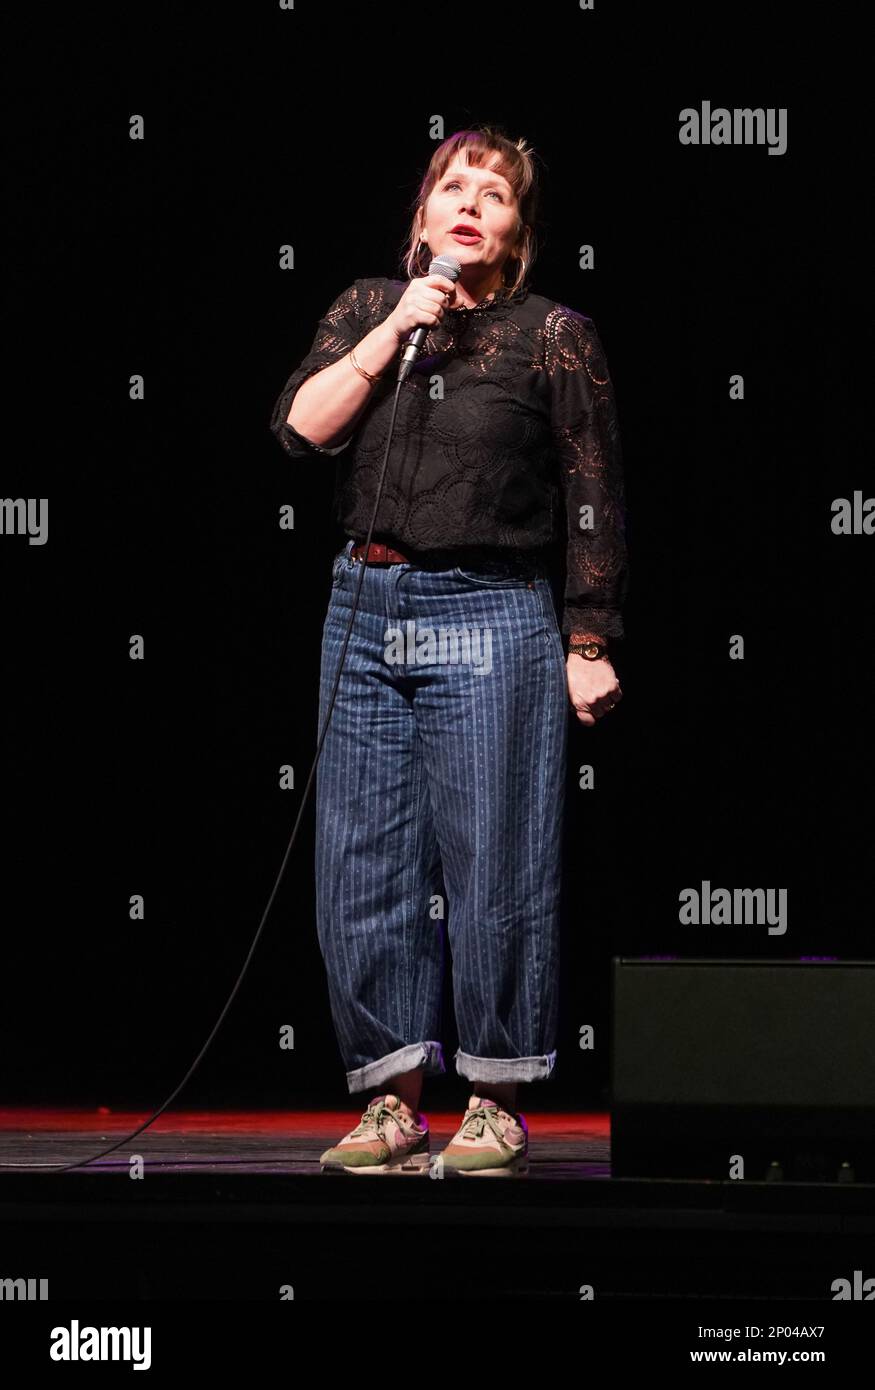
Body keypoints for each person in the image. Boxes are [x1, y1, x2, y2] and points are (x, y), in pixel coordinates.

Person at [269, 125, 628, 1177]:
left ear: (516, 232)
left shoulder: (550, 334)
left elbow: (592, 492)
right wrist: (396, 327)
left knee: (495, 862)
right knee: (359, 863)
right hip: (364, 605)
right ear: (421, 214)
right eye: (452, 188)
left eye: (495, 195)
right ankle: (388, 1103)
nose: (471, 204)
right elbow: (301, 429)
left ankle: (495, 1094)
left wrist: (588, 634)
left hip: (491, 608)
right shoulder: (366, 308)